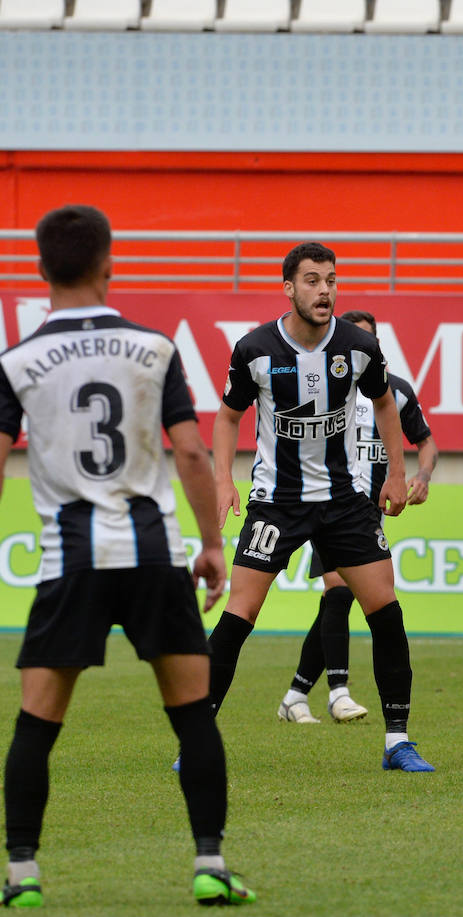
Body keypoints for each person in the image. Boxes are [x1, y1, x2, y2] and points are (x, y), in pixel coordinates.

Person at [0, 205, 254, 907]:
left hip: (71, 560)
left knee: (35, 723)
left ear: (41, 267)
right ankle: (211, 862)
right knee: (193, 714)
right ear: (109, 262)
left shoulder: (16, 362)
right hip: (151, 555)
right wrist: (210, 544)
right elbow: (194, 451)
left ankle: (22, 872)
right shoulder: (153, 348)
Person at [206, 242, 434, 772]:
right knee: (239, 616)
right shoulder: (254, 349)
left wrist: (397, 474)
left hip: (345, 500)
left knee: (387, 612)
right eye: (311, 280)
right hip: (275, 501)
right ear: (289, 288)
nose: (324, 290)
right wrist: (223, 479)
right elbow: (226, 417)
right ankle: (197, 738)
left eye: (330, 279)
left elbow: (383, 403)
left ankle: (397, 741)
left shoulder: (358, 345)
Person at [276, 310, 438, 725]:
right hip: (330, 504)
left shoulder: (395, 393)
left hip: (368, 515)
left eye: (367, 341)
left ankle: (296, 694)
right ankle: (338, 692)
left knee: (341, 599)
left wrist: (420, 476)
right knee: (337, 591)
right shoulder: (328, 389)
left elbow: (426, 442)